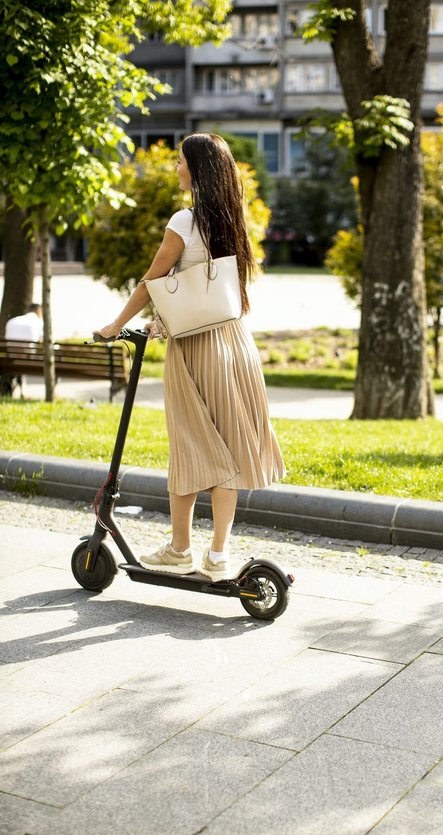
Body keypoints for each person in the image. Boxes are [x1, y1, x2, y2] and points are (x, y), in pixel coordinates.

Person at [95, 134, 285, 581]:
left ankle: (181, 548)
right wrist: (158, 322)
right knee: (230, 447)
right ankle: (218, 554)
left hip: (196, 349)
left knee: (191, 445)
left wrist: (114, 323)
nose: (176, 169)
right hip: (236, 345)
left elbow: (152, 280)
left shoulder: (184, 221)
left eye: (180, 162)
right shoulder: (232, 221)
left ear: (196, 170)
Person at [3, 303, 44, 396]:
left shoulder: (12, 321)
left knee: (19, 358)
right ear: (39, 312)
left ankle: (21, 389)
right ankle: (52, 391)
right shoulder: (38, 322)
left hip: (12, 358)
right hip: (29, 358)